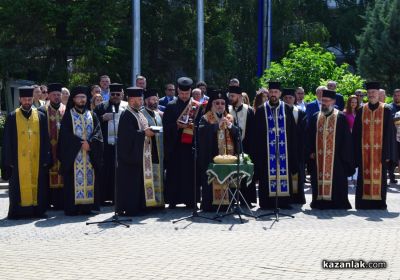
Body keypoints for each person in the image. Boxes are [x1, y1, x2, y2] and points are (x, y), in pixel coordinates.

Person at [1, 86, 51, 219]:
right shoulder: (12, 117)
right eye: (24, 99)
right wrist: (9, 161)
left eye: (29, 99)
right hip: (18, 161)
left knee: (38, 185)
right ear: (20, 99)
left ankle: (37, 211)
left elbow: (46, 138)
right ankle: (18, 212)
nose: (27, 102)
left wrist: (46, 157)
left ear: (33, 98)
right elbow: (7, 140)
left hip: (36, 158)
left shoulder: (40, 116)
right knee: (18, 187)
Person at [57, 86, 103, 216]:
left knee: (90, 178)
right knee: (72, 181)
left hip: (89, 155)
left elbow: (98, 133)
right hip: (74, 157)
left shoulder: (92, 114)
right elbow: (65, 136)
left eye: (84, 97)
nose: (82, 100)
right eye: (79, 97)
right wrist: (79, 143)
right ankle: (73, 208)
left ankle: (88, 207)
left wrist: (91, 144)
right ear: (74, 99)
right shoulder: (68, 115)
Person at [253, 82, 298, 209]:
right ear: (268, 92)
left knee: (284, 173)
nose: (273, 94)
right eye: (271, 92)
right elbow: (256, 135)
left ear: (280, 94)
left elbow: (293, 133)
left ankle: (284, 202)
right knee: (266, 176)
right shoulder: (262, 110)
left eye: (276, 92)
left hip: (284, 152)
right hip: (266, 153)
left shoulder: (287, 109)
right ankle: (267, 203)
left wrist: (293, 152)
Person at [308, 89, 354, 209]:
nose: (324, 103)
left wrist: (344, 157)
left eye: (327, 101)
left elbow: (347, 140)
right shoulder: (315, 117)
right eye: (323, 101)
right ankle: (319, 202)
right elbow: (309, 136)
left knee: (337, 181)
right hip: (318, 158)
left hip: (337, 159)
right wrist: (311, 151)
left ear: (333, 101)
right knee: (318, 180)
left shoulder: (341, 117)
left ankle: (337, 203)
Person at [162, 77, 202, 208]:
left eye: (187, 93)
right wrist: (177, 126)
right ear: (178, 91)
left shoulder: (196, 106)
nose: (184, 96)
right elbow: (166, 126)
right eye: (182, 93)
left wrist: (193, 126)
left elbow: (201, 125)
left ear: (190, 91)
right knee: (175, 173)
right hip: (176, 146)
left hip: (190, 145)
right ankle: (173, 200)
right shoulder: (171, 106)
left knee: (190, 174)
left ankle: (191, 200)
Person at [353, 82, 393, 209]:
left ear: (378, 94)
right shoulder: (361, 110)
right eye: (369, 93)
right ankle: (362, 203)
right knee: (362, 176)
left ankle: (379, 204)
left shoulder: (386, 109)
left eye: (374, 92)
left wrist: (387, 153)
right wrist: (356, 153)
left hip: (380, 152)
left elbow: (389, 133)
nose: (371, 95)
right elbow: (356, 133)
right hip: (364, 152)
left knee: (380, 177)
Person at [116, 87, 156, 215]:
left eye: (142, 99)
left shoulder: (138, 113)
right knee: (131, 183)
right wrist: (144, 133)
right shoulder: (126, 114)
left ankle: (140, 206)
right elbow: (127, 136)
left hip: (141, 155)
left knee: (139, 182)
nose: (142, 101)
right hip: (130, 157)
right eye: (139, 99)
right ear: (131, 100)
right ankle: (130, 208)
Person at [198, 89, 239, 211]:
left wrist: (231, 126)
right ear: (212, 104)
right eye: (217, 103)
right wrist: (216, 126)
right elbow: (201, 133)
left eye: (222, 103)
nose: (220, 106)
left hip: (228, 157)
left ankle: (227, 204)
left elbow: (238, 134)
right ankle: (210, 205)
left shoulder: (230, 118)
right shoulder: (206, 118)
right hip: (211, 157)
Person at [93, 83, 128, 205]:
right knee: (105, 172)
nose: (115, 96)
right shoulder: (101, 107)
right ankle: (103, 198)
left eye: (118, 94)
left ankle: (118, 197)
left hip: (122, 146)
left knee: (120, 173)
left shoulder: (127, 107)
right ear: (109, 94)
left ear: (122, 94)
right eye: (113, 94)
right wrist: (102, 118)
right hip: (106, 147)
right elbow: (93, 124)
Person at [228, 85, 256, 205]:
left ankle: (247, 199)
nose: (230, 98)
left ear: (239, 96)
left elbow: (253, 132)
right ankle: (231, 198)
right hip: (230, 147)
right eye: (229, 96)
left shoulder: (249, 110)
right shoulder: (227, 110)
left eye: (232, 96)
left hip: (246, 147)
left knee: (244, 173)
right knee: (232, 173)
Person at [42, 83, 66, 210]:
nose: (56, 97)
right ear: (49, 95)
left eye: (58, 94)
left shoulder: (66, 109)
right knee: (48, 173)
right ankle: (48, 201)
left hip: (62, 148)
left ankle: (61, 202)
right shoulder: (42, 110)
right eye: (54, 95)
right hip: (48, 148)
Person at [141, 89, 165, 208]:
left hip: (159, 150)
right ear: (146, 100)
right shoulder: (141, 114)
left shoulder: (157, 114)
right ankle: (150, 202)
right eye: (152, 99)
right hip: (148, 151)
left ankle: (159, 202)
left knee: (159, 175)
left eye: (156, 99)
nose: (155, 101)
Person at [281, 88, 306, 205]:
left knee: (298, 173)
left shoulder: (299, 112)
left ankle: (297, 197)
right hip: (283, 147)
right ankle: (286, 196)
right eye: (285, 98)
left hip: (296, 148)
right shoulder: (278, 112)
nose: (288, 100)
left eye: (290, 98)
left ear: (294, 99)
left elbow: (303, 131)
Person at [388, 89, 400, 184]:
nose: (397, 97)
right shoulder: (390, 107)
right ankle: (391, 177)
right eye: (395, 95)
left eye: (398, 95)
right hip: (393, 137)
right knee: (392, 158)